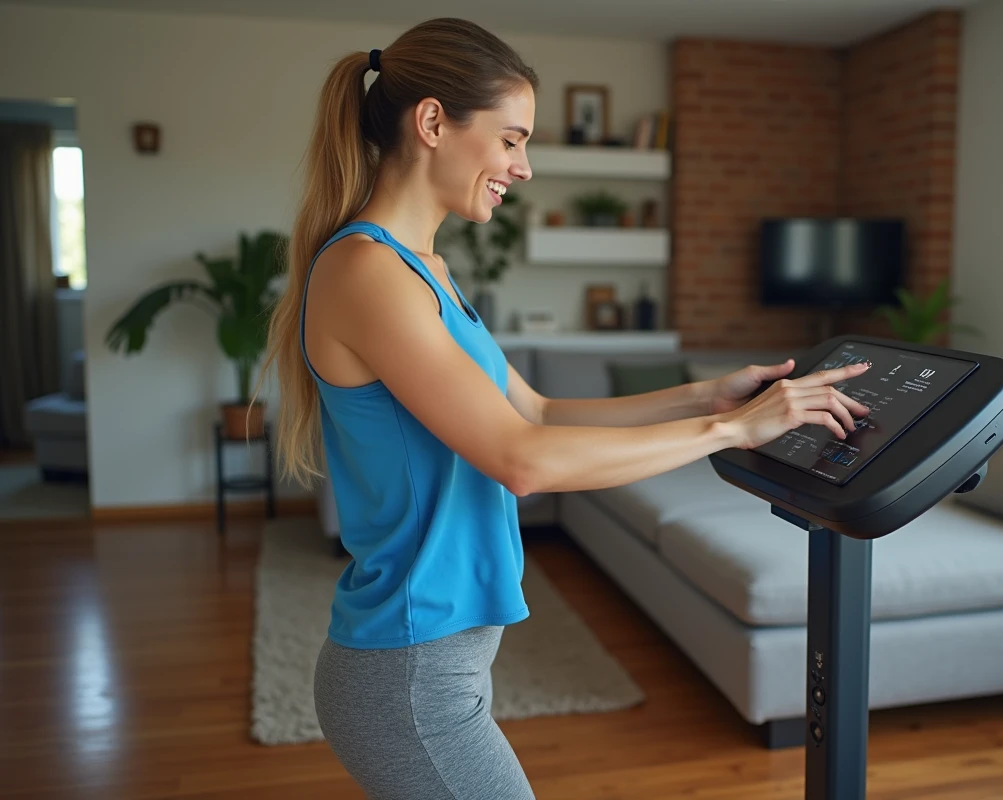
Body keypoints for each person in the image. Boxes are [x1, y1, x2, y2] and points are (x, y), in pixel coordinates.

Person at [256, 16, 872, 800]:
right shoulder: (367, 272)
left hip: (433, 663)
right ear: (433, 122)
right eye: (511, 140)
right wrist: (732, 429)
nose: (523, 167)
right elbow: (521, 461)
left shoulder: (425, 270)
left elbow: (538, 415)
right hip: (408, 675)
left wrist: (702, 394)